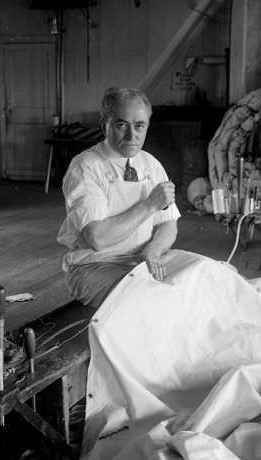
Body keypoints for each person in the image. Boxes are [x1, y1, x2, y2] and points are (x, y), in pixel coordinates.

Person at [56, 87, 179, 308]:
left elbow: (169, 224)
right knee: (148, 299)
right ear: (105, 125)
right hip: (95, 266)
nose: (132, 136)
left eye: (139, 126)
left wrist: (153, 250)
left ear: (147, 127)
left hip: (142, 260)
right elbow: (98, 239)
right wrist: (150, 205)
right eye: (122, 125)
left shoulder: (151, 164)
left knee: (203, 277)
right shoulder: (86, 167)